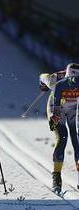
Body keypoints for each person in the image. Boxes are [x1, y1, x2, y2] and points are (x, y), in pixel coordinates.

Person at [40, 63, 79, 193]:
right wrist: (42, 84)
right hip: (57, 109)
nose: (73, 87)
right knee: (63, 138)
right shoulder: (55, 80)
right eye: (71, 83)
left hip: (74, 110)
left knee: (76, 139)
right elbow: (42, 76)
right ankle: (56, 176)